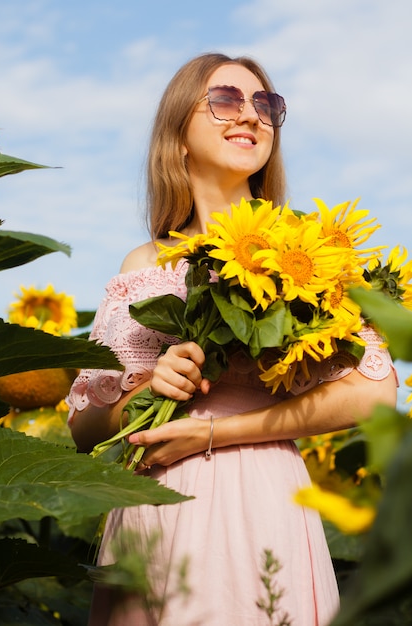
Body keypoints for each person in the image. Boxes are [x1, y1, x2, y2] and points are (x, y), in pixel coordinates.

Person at [67, 52, 398, 626]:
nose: (251, 115)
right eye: (225, 100)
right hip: (155, 503)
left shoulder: (306, 252)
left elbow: (373, 393)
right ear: (180, 134)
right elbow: (83, 424)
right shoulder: (143, 263)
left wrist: (213, 432)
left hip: (259, 493)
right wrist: (146, 388)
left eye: (265, 105)